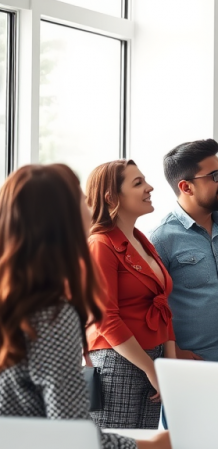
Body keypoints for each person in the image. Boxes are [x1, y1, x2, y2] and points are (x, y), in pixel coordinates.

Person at [0, 164, 171, 449]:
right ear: (61, 220)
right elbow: (75, 440)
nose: (90, 207)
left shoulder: (19, 302)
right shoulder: (51, 316)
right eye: (82, 199)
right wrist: (157, 447)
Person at [85, 159, 177, 430]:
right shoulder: (100, 244)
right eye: (138, 183)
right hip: (118, 364)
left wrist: (166, 364)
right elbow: (106, 319)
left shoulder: (142, 241)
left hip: (152, 362)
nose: (149, 187)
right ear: (112, 197)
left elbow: (162, 306)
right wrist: (150, 368)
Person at [150, 139, 218, 363]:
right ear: (186, 187)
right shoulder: (161, 239)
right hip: (189, 367)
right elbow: (150, 311)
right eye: (215, 176)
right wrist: (172, 354)